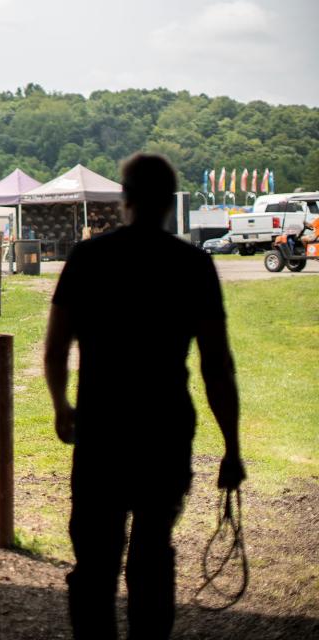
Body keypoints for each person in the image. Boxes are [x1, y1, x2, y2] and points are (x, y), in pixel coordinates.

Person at [44, 153, 245, 640]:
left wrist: (62, 406)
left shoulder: (88, 258)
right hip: (165, 430)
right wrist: (232, 447)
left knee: (95, 562)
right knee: (153, 553)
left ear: (125, 199)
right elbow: (216, 365)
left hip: (102, 430)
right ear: (169, 206)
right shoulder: (193, 265)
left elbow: (55, 347)